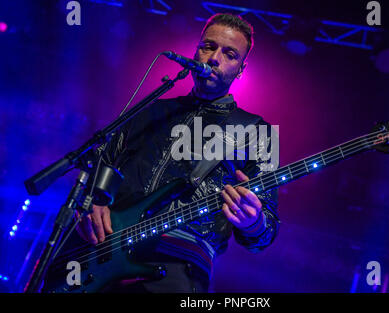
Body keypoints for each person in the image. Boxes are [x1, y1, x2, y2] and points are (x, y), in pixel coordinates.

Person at [75, 13, 280, 293]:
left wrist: (254, 222)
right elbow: (99, 167)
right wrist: (90, 203)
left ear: (240, 69)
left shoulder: (258, 131)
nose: (214, 58)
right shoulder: (152, 111)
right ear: (196, 50)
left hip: (180, 265)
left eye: (229, 53)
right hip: (104, 253)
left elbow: (265, 234)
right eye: (208, 46)